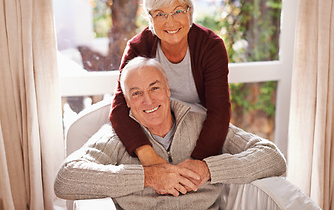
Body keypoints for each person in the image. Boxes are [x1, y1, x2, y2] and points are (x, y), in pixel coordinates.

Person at [54, 57, 286, 209]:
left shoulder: (204, 125)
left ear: (167, 87)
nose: (148, 100)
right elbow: (66, 179)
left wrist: (208, 169)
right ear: (126, 101)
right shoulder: (115, 136)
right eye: (136, 93)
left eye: (154, 88)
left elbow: (271, 156)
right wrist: (148, 177)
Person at [110, 0, 231, 166]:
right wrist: (148, 155)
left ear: (189, 10)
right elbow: (119, 108)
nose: (170, 22)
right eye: (160, 14)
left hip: (199, 134)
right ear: (150, 17)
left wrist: (195, 163)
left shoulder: (210, 46)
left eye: (178, 11)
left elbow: (219, 112)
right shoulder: (138, 48)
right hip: (153, 136)